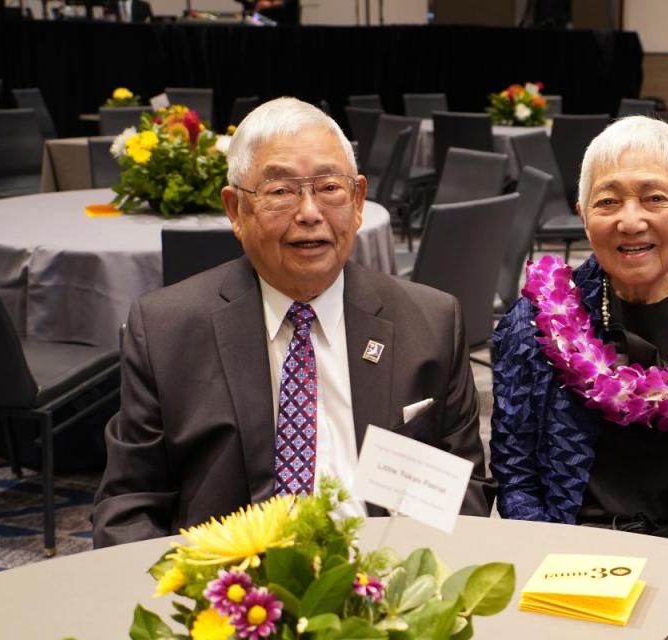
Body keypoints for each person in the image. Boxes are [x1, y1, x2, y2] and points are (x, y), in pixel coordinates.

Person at [93, 97, 493, 547]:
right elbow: (128, 506)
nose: (309, 212)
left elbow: (465, 494)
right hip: (230, 589)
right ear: (235, 210)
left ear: (358, 200)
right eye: (280, 191)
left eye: (329, 187)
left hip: (384, 574)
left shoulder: (431, 323)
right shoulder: (167, 329)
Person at [490, 116, 668, 551]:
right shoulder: (532, 325)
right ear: (583, 217)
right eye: (607, 202)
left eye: (654, 198)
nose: (630, 221)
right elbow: (516, 474)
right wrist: (551, 561)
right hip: (564, 551)